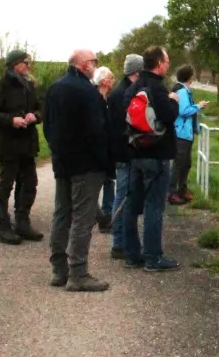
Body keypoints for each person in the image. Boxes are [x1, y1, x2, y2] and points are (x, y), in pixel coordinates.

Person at [44, 50, 111, 291]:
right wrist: (104, 162)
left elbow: (48, 126)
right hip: (85, 164)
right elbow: (97, 131)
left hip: (62, 162)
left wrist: (57, 152)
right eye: (94, 62)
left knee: (62, 214)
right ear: (84, 65)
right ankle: (78, 273)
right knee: (83, 217)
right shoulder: (86, 92)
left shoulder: (55, 88)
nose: (96, 66)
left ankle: (58, 269)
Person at [122, 46, 181, 272]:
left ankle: (131, 254)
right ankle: (153, 258)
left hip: (136, 152)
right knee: (154, 207)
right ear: (158, 63)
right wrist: (173, 100)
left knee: (132, 204)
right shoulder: (157, 88)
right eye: (166, 61)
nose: (168, 65)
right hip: (157, 156)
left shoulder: (134, 86)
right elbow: (168, 117)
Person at [0, 50, 43, 245]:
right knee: (6, 186)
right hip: (10, 143)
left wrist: (35, 116)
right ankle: (4, 226)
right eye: (26, 62)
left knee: (30, 183)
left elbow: (40, 108)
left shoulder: (29, 85)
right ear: (16, 64)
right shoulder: (1, 86)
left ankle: (23, 222)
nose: (28, 65)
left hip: (28, 143)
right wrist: (11, 120)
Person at [107, 54, 143, 259]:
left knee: (123, 196)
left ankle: (121, 241)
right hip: (125, 153)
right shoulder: (124, 94)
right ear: (136, 72)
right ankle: (119, 243)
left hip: (122, 152)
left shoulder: (118, 92)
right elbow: (125, 127)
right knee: (123, 197)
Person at [169, 65, 207, 205]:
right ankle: (172, 192)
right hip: (182, 133)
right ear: (189, 77)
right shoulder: (183, 92)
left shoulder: (179, 89)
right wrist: (199, 106)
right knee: (180, 164)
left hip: (182, 132)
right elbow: (184, 111)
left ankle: (181, 190)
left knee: (186, 163)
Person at [91, 66, 116, 233]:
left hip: (108, 148)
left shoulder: (109, 99)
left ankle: (107, 215)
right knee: (93, 185)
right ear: (105, 81)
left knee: (109, 182)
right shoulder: (94, 99)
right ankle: (99, 215)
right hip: (97, 148)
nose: (113, 81)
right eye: (112, 78)